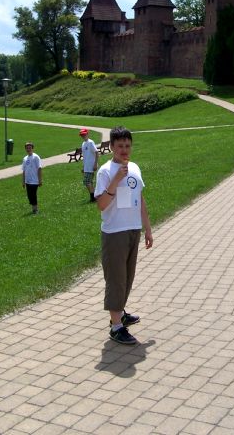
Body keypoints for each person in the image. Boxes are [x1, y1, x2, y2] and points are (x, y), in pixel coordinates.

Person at [94, 126, 153, 345]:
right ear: (111, 147)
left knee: (128, 276)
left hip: (132, 229)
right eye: (120, 146)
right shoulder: (106, 171)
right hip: (114, 232)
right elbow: (101, 204)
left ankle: (120, 313)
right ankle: (116, 326)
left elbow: (140, 199)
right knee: (116, 278)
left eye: (128, 145)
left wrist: (147, 228)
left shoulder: (135, 167)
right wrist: (116, 179)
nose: (124, 150)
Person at [22, 142, 43, 214]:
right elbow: (24, 170)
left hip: (34, 180)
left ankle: (35, 210)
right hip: (27, 181)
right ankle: (33, 208)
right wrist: (23, 181)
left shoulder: (36, 157)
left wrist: (40, 180)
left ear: (32, 148)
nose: (28, 149)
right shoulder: (25, 158)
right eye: (27, 148)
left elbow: (39, 168)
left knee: (33, 195)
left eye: (30, 148)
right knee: (29, 196)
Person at [79, 128, 99, 202]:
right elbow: (85, 156)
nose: (83, 136)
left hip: (91, 166)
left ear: (87, 134)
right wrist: (83, 167)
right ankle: (94, 197)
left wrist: (95, 164)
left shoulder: (90, 142)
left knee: (87, 181)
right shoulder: (83, 144)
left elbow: (96, 153)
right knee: (89, 182)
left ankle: (93, 197)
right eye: (82, 135)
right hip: (86, 166)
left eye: (84, 134)